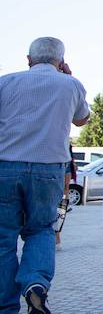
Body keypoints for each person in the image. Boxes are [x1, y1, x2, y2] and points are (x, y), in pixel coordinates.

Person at [0, 37, 90, 314]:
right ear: (61, 61)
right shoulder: (71, 85)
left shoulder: (5, 82)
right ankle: (35, 285)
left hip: (6, 165)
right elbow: (82, 119)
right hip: (49, 169)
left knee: (3, 238)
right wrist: (71, 79)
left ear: (28, 59)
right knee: (41, 230)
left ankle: (5, 306)